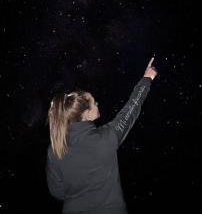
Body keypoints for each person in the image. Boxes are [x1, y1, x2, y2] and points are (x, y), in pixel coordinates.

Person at [46, 57, 157, 214]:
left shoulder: (54, 149)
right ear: (86, 114)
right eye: (94, 103)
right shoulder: (105, 139)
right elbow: (131, 109)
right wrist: (146, 79)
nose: (97, 103)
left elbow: (57, 191)